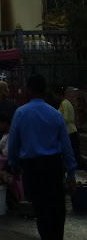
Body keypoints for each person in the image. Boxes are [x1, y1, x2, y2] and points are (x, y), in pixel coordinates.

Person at [7, 74, 76, 240]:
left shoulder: (20, 113)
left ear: (29, 90)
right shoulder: (55, 114)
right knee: (57, 207)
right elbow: (67, 147)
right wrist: (71, 174)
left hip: (32, 168)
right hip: (53, 166)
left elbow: (13, 145)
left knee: (41, 208)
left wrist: (14, 167)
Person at [53, 85, 86, 170]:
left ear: (58, 94)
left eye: (55, 95)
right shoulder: (68, 103)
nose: (55, 98)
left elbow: (65, 119)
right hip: (73, 131)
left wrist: (56, 121)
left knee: (73, 155)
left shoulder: (64, 104)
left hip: (69, 133)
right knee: (76, 154)